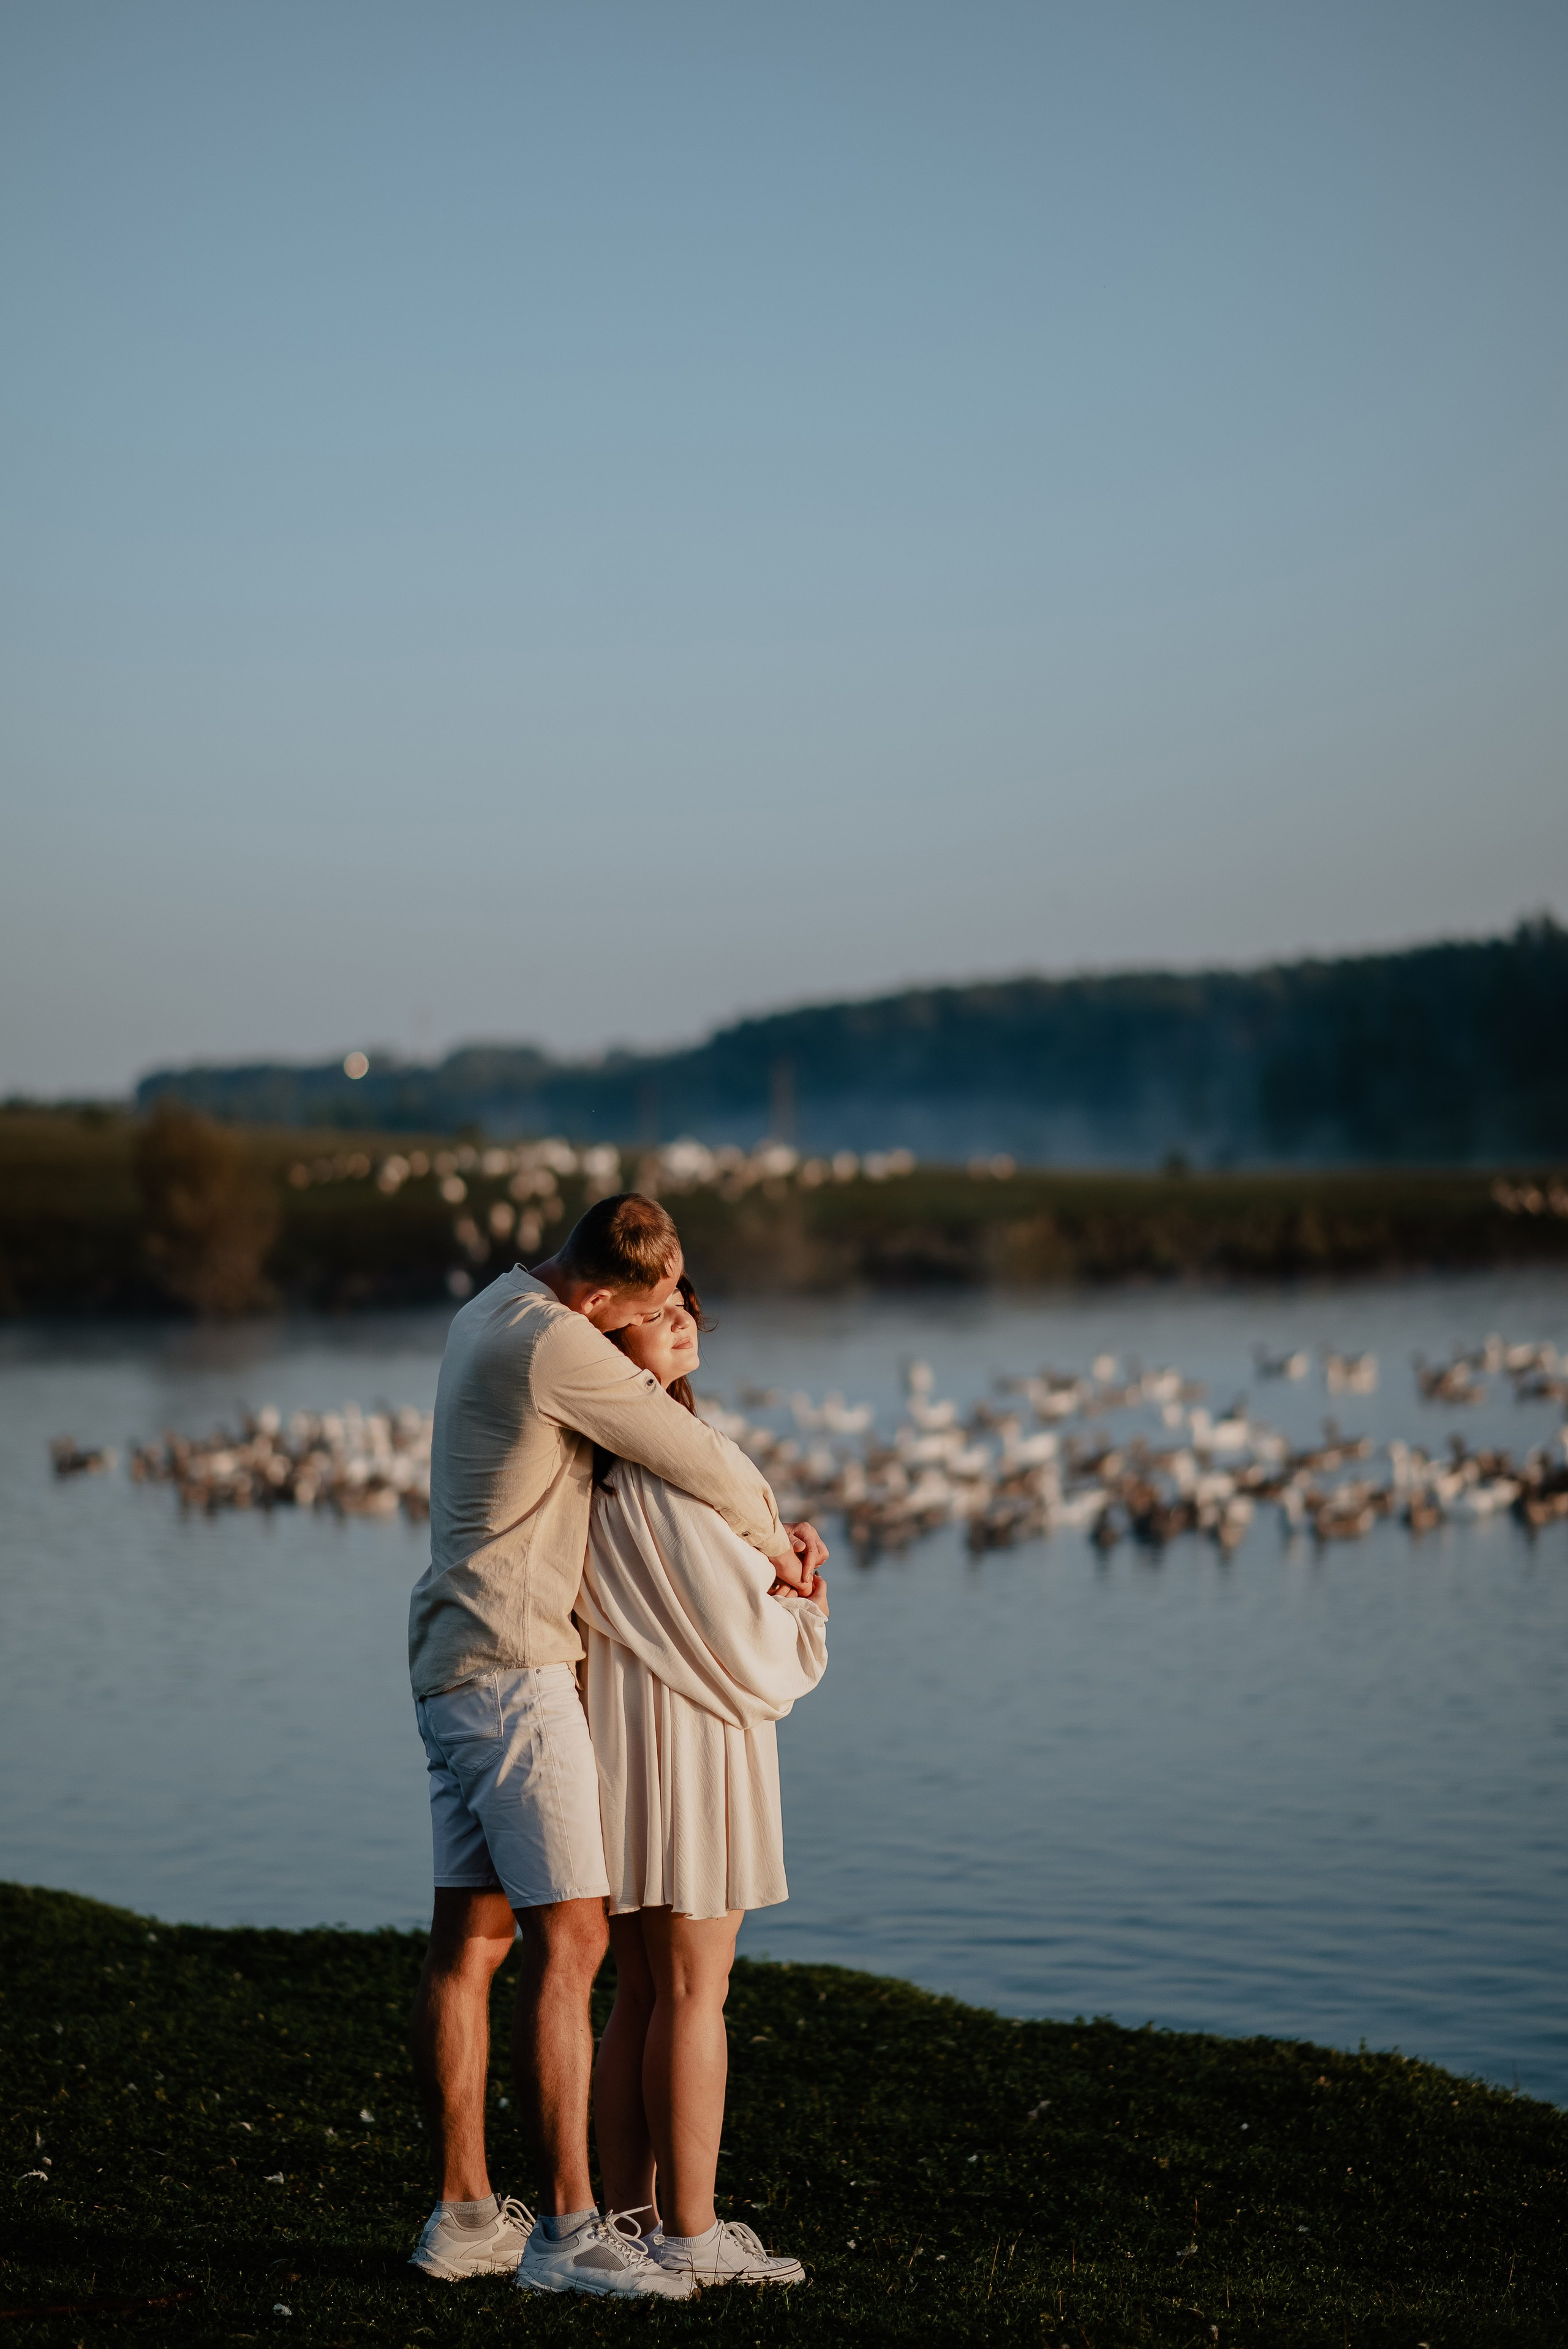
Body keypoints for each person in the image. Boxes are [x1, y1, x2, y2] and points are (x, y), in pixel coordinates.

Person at [404, 1193, 826, 2298]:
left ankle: (462, 2216)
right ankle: (569, 2233)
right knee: (577, 1951)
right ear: (598, 1302)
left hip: (449, 1664)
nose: (680, 1314)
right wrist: (781, 1549)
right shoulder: (556, 1345)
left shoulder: (487, 1306)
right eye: (652, 1308)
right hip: (517, 1673)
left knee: (469, 1951)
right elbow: (699, 1458)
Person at [576, 1272, 827, 2288]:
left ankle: (633, 2224)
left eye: (682, 1303)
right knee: (693, 1989)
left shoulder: (589, 1466)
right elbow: (742, 1630)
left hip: (625, 1740)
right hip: (687, 1740)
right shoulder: (660, 1471)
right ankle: (689, 2232)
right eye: (651, 1311)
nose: (679, 1317)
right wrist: (807, 1602)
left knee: (641, 1990)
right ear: (606, 1345)